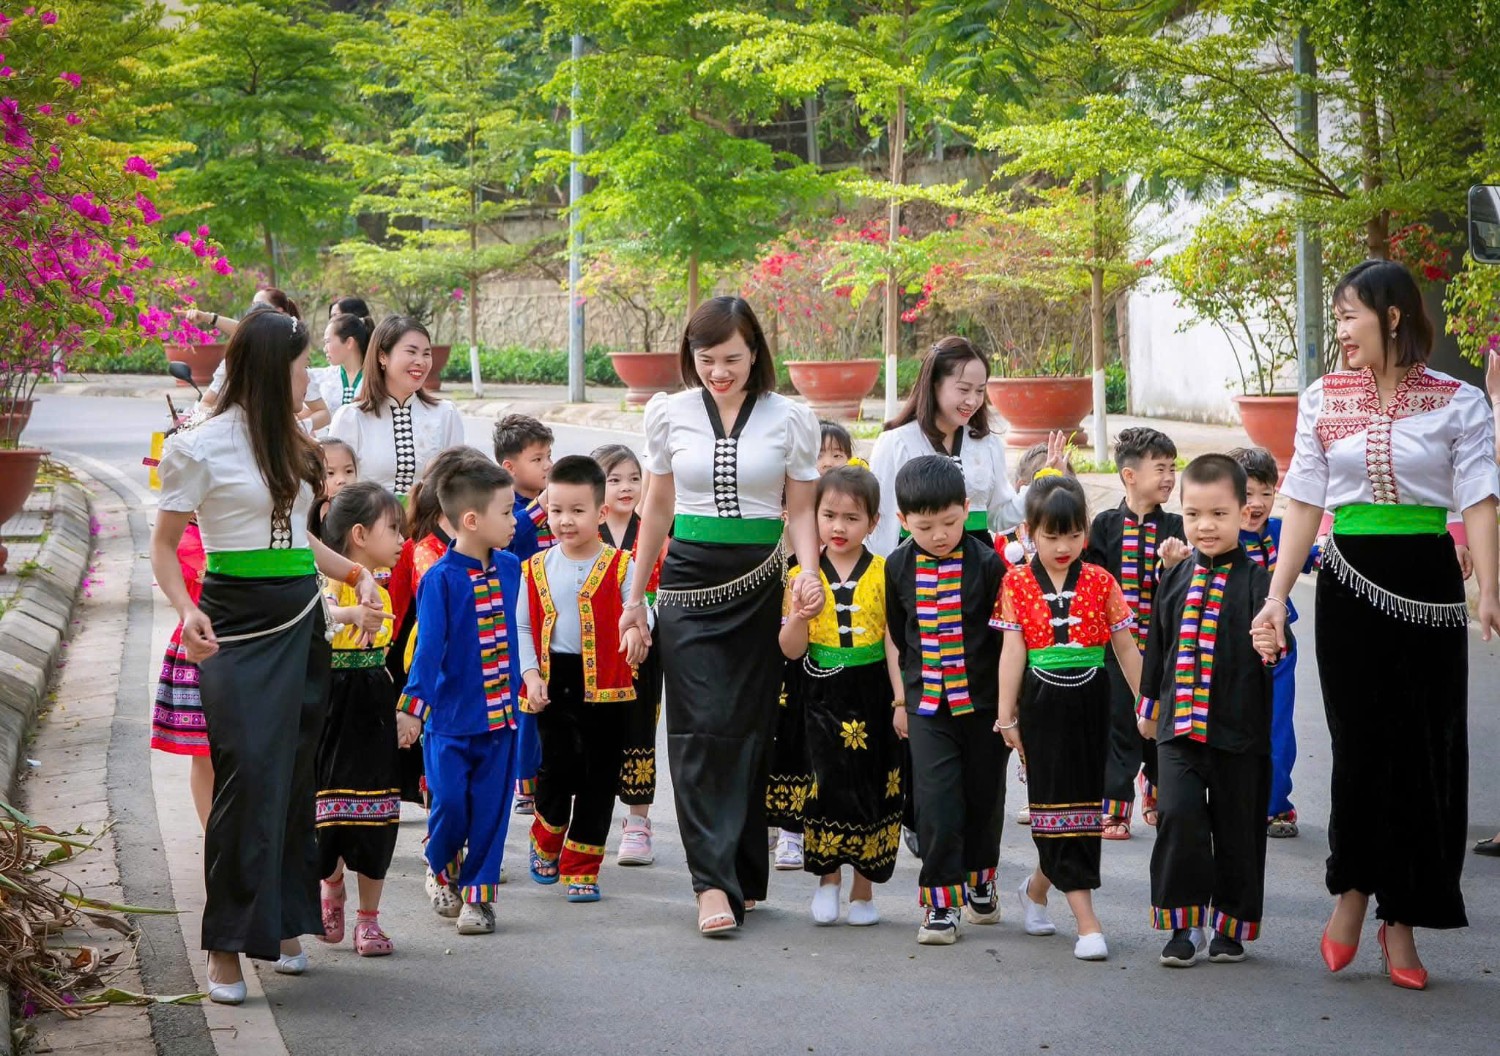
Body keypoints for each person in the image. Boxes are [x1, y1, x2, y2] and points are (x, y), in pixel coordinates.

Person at [1256, 259, 1500, 990]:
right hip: (1349, 583)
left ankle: (1402, 918)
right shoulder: (1322, 398)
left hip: (1429, 587)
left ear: (1392, 317)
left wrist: (1490, 588)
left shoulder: (1460, 401)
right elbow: (1304, 498)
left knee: (1424, 753)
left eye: (1349, 315)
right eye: (1336, 316)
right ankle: (1353, 891)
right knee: (1361, 748)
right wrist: (1275, 597)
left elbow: (1479, 496)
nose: (1340, 329)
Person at [151, 310, 382, 1004]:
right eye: (303, 366)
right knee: (246, 777)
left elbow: (293, 538)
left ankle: (281, 924)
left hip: (301, 620)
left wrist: (353, 572)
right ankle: (225, 943)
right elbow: (164, 544)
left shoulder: (298, 442)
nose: (310, 377)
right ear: (273, 368)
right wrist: (185, 609)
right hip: (234, 623)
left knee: (291, 778)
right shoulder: (197, 445)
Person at [621, 295, 823, 935]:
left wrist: (809, 572)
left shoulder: (791, 417)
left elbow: (800, 509)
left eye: (731, 358)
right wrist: (634, 597)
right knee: (697, 730)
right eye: (706, 359)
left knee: (748, 729)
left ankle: (741, 871)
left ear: (755, 352)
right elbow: (656, 510)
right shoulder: (669, 412)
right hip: (687, 585)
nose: (718, 372)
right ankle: (709, 883)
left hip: (761, 585)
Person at [1138, 455, 1283, 967]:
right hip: (1178, 727)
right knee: (1178, 817)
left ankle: (1230, 925)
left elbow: (1277, 641)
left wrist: (1271, 644)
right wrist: (1148, 707)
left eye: (1219, 514)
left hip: (1238, 732)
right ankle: (1183, 925)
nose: (1205, 526)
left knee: (1238, 828)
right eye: (1194, 514)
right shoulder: (1175, 578)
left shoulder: (1260, 584)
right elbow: (1157, 646)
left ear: (1244, 513)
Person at [993, 473, 1140, 961]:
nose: (1063, 546)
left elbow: (1125, 647)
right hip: (1040, 706)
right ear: (1029, 531)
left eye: (1074, 534)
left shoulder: (1101, 580)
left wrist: (1147, 704)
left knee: (1082, 810)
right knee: (1053, 808)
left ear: (1086, 531)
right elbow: (1012, 651)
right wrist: (1006, 715)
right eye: (1051, 535)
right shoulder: (1016, 582)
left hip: (1093, 703)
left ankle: (1036, 890)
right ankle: (1087, 921)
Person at [397, 457, 524, 937]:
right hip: (449, 722)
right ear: (472, 520)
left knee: (490, 813)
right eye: (506, 512)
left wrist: (532, 678)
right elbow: (428, 652)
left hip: (502, 720)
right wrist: (413, 710)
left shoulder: (512, 568)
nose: (514, 521)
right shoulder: (440, 579)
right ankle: (439, 862)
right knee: (449, 803)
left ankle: (478, 899)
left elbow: (525, 632)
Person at [885, 455, 1007, 945]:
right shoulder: (897, 566)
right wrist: (903, 700)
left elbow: (1004, 639)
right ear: (902, 520)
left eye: (950, 523)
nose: (939, 535)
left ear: (967, 508)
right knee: (936, 803)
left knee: (984, 797)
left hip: (983, 706)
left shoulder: (989, 563)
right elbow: (900, 633)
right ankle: (940, 902)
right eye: (924, 527)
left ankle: (980, 879)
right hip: (928, 706)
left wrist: (1010, 708)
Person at [517, 455, 649, 902]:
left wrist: (636, 632)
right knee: (556, 769)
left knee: (599, 777)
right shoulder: (535, 567)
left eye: (577, 510)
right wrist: (531, 675)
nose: (565, 520)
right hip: (553, 682)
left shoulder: (624, 565)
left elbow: (639, 611)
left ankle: (582, 867)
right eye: (556, 510)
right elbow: (522, 627)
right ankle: (547, 834)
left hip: (608, 687)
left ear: (601, 513)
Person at [778, 465, 903, 926]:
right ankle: (827, 880)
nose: (838, 527)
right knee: (825, 784)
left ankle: (863, 890)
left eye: (852, 518)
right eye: (828, 515)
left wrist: (900, 701)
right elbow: (790, 649)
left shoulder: (886, 573)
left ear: (873, 522)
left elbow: (894, 642)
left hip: (873, 693)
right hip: (820, 692)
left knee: (873, 786)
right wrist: (798, 616)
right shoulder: (800, 574)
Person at [1083, 427, 1191, 839]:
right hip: (1115, 647)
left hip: (1164, 648)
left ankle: (1158, 790)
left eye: (1172, 468)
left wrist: (1173, 568)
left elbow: (1185, 593)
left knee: (1162, 720)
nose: (1169, 477)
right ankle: (1115, 805)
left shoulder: (1179, 527)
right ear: (1129, 475)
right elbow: (1092, 582)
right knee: (1119, 724)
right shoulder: (1106, 526)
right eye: (1160, 468)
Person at [868, 336, 1065, 557]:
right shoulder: (896, 443)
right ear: (934, 384)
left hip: (977, 566)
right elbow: (882, 525)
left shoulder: (987, 445)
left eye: (980, 391)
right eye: (963, 390)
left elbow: (999, 516)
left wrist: (1045, 483)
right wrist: (883, 573)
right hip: (918, 568)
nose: (972, 401)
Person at [313, 482, 403, 957]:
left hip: (372, 709)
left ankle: (369, 919)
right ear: (360, 535)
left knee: (376, 815)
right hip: (329, 708)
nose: (402, 539)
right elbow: (319, 618)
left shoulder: (383, 590)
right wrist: (350, 613)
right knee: (325, 813)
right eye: (394, 529)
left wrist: (405, 711)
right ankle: (331, 889)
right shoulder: (322, 585)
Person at [386, 446, 484, 815]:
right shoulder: (423, 550)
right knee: (439, 751)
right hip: (435, 664)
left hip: (478, 663)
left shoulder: (490, 550)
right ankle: (442, 834)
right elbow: (396, 609)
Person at [1228, 446, 1320, 839]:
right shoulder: (1219, 535)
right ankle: (1227, 802)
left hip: (1279, 647)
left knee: (1277, 726)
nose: (1257, 503)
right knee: (1228, 726)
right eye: (1247, 493)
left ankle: (1275, 804)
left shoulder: (1282, 532)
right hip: (1229, 649)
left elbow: (1312, 553)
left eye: (1266, 493)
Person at [593, 443, 664, 867]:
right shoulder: (586, 529)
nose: (626, 487)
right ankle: (590, 819)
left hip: (645, 645)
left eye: (634, 478)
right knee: (595, 730)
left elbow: (661, 587)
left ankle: (638, 822)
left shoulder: (653, 529)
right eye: (614, 479)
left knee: (640, 727)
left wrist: (642, 625)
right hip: (594, 645)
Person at [329, 316, 465, 499]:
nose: (420, 361)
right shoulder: (351, 418)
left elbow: (457, 485)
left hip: (428, 517)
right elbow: (334, 489)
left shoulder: (445, 414)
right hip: (366, 516)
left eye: (426, 354)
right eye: (411, 352)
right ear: (382, 356)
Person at [493, 414, 555, 816]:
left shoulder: (556, 502)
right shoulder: (507, 509)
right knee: (527, 697)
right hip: (522, 618)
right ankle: (526, 782)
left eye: (549, 456)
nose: (548, 465)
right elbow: (508, 536)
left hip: (557, 613)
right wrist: (540, 508)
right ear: (509, 467)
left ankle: (554, 774)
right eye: (537, 459)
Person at [149, 514, 213, 828]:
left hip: (240, 645)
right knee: (205, 756)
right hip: (199, 650)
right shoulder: (185, 539)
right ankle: (215, 840)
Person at [310, 312, 374, 421]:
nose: (325, 349)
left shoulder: (375, 378)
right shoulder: (324, 377)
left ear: (349, 342)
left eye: (327, 341)